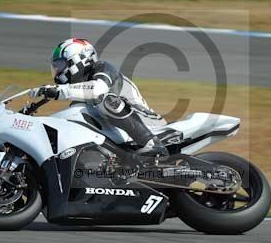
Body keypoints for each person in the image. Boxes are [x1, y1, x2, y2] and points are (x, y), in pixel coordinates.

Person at [29, 38, 169, 158]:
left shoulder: (102, 68)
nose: (57, 71)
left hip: (149, 124)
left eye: (60, 65)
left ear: (79, 59)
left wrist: (58, 91)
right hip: (122, 132)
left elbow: (97, 90)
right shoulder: (80, 96)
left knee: (106, 100)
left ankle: (151, 143)